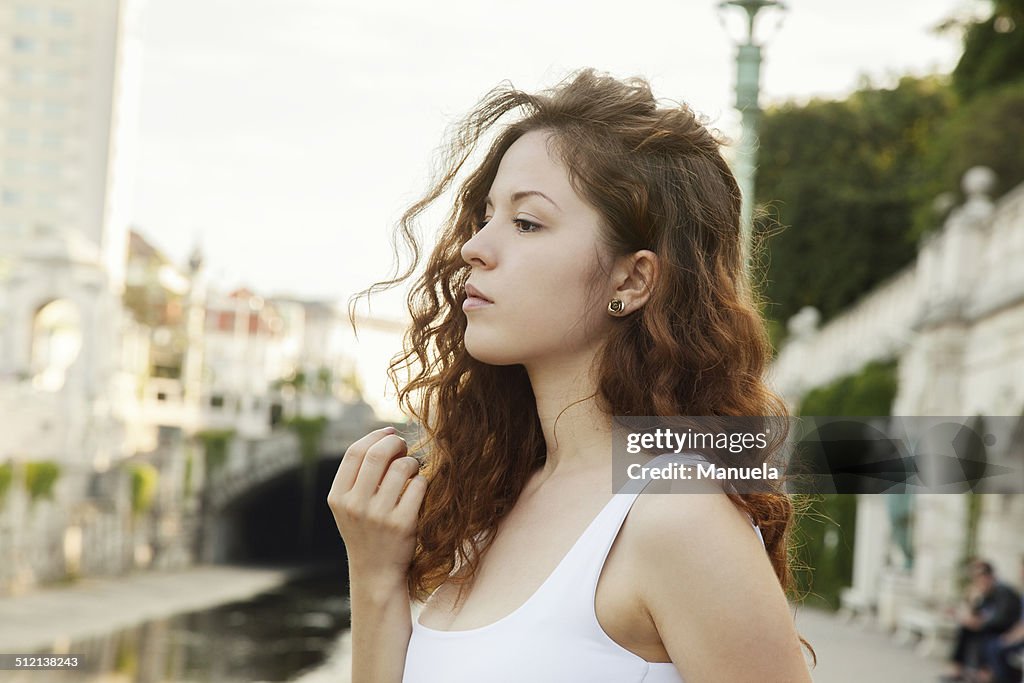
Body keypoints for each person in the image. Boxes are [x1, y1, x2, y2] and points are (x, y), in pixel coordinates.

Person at [328, 68, 815, 682]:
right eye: (486, 216)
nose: (475, 246)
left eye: (527, 223)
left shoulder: (676, 514)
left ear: (632, 280)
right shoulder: (493, 500)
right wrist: (373, 580)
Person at [942, 559, 1023, 683]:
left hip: (1004, 632)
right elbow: (975, 614)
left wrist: (979, 623)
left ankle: (988, 676)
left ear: (989, 576)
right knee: (965, 629)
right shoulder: (986, 593)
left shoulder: (1004, 591)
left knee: (990, 643)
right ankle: (959, 669)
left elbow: (1000, 620)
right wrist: (972, 599)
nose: (978, 582)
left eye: (980, 578)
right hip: (996, 631)